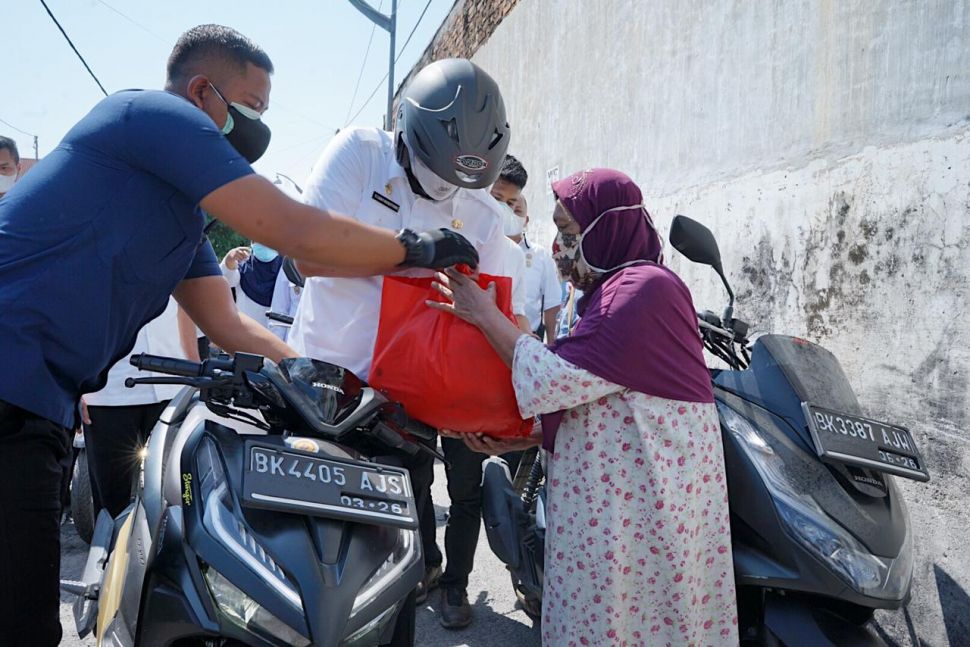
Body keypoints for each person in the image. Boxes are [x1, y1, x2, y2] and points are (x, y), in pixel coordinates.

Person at [0, 25, 477, 647]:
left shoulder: (181, 220)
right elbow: (295, 231)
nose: (260, 126)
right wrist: (414, 247)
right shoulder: (150, 115)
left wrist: (341, 389)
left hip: (37, 408)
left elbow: (228, 323)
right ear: (203, 93)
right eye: (252, 107)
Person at [431, 168, 739, 646]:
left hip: (643, 512)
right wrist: (529, 434)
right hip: (617, 507)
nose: (559, 245)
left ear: (609, 227)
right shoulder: (609, 293)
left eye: (569, 232)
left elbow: (555, 376)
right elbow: (604, 395)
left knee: (634, 624)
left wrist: (483, 313)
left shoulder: (641, 291)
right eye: (557, 231)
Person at [288, 58, 523, 630]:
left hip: (404, 411)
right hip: (323, 387)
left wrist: (492, 415)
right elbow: (304, 253)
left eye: (464, 180)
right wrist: (412, 249)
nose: (447, 189)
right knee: (308, 565)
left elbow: (487, 330)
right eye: (437, 171)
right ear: (406, 131)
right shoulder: (359, 155)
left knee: (392, 575)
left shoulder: (485, 217)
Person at [82, 298, 199, 518]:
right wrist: (73, 384)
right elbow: (75, 312)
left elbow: (186, 304)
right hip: (107, 390)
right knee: (111, 501)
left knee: (177, 493)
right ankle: (112, 551)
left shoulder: (176, 261)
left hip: (172, 383)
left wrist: (195, 367)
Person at [491, 158, 563, 339]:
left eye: (511, 204)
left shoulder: (515, 255)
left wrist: (528, 342)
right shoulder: (461, 238)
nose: (503, 210)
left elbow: (517, 311)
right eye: (497, 198)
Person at [220, 241, 283, 329]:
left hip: (277, 335)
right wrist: (230, 259)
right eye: (259, 238)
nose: (264, 243)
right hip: (243, 332)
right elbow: (225, 281)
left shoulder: (286, 268)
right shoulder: (243, 261)